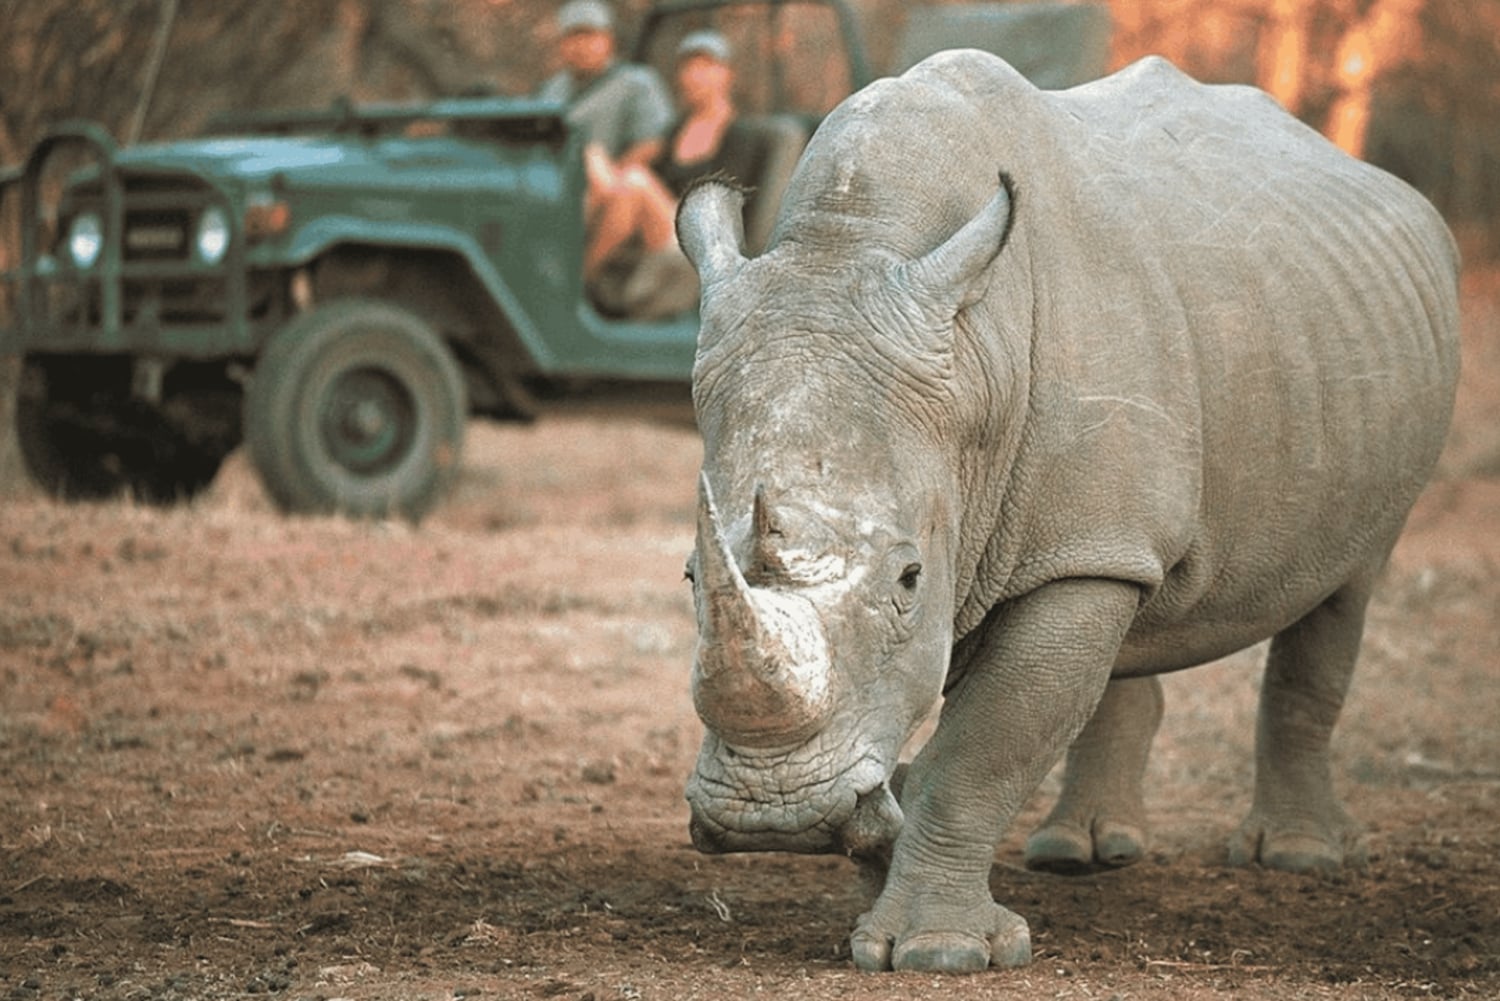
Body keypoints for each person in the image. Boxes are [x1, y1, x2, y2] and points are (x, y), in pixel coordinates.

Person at [587, 29, 788, 318]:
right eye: (688, 67)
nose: (694, 76)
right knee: (603, 166)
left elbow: (725, 205)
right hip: (662, 230)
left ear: (726, 74)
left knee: (635, 180)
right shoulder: (675, 129)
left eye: (706, 66)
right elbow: (645, 177)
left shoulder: (740, 134)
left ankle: (581, 277)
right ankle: (580, 285)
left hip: (706, 239)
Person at [536, 0, 672, 169]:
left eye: (590, 36)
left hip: (615, 187)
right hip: (552, 187)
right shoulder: (551, 90)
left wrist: (611, 179)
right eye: (573, 37)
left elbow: (654, 144)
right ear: (561, 43)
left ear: (609, 40)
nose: (581, 46)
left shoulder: (637, 83)